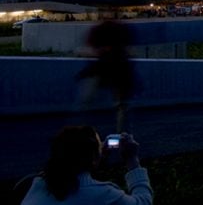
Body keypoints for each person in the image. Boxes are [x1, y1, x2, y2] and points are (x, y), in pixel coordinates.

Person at [21, 125, 153, 205]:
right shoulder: (104, 194)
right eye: (98, 144)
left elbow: (77, 179)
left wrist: (99, 156)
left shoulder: (37, 184)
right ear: (92, 158)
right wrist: (132, 161)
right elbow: (143, 202)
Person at [76, 21, 136, 133]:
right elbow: (130, 51)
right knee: (121, 104)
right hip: (117, 69)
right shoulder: (120, 29)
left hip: (106, 69)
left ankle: (82, 132)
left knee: (88, 99)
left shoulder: (100, 29)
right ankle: (122, 134)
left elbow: (88, 50)